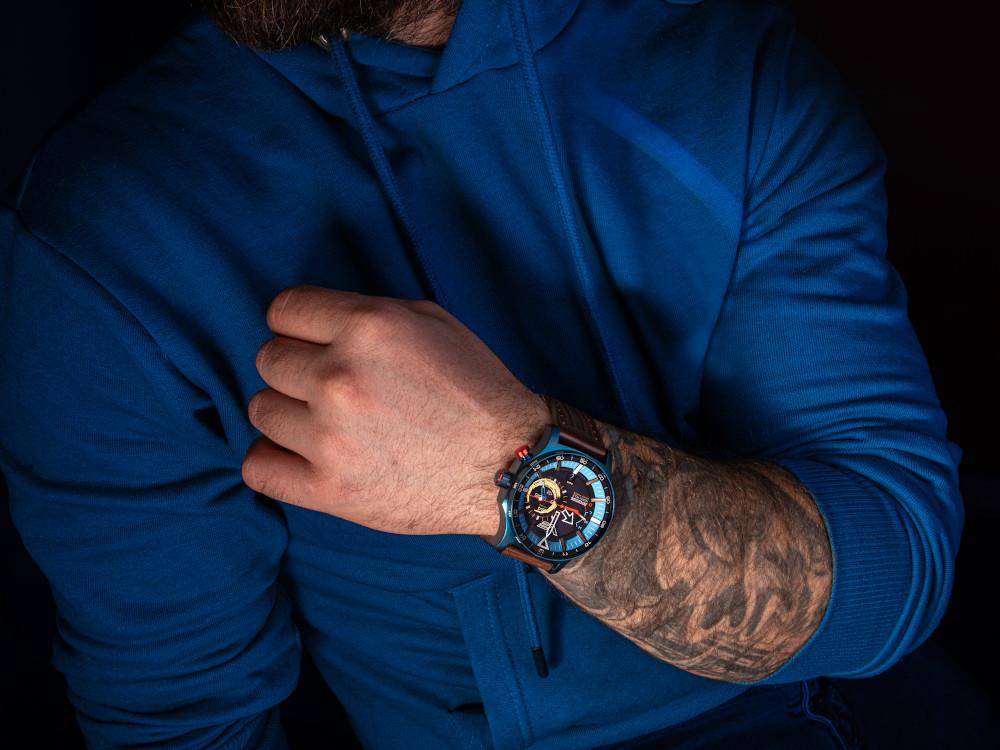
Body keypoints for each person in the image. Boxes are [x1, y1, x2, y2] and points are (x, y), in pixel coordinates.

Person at [0, 0, 964, 748]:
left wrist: (504, 468)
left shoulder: (725, 69)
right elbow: (181, 724)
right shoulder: (110, 235)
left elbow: (894, 573)